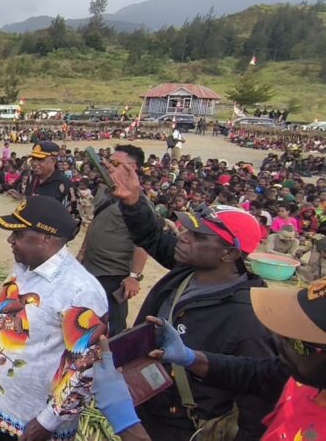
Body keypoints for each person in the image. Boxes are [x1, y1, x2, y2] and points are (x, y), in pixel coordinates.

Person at [103, 158, 278, 440]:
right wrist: (133, 201)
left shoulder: (249, 318)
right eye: (187, 230)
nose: (183, 237)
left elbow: (257, 400)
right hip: (147, 407)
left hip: (185, 427)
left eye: (198, 236)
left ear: (229, 254)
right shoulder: (188, 268)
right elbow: (152, 236)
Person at [93, 279, 326, 441]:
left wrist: (127, 425)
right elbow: (258, 374)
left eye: (296, 342)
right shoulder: (307, 377)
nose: (281, 344)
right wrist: (191, 357)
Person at [0, 195, 108, 440]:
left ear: (47, 238)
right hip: (7, 405)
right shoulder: (26, 266)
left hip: (34, 421)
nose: (10, 239)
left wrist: (47, 422)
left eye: (19, 234)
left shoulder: (80, 291)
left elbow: (86, 368)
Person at [76, 144, 149, 334]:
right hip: (90, 268)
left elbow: (142, 242)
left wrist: (134, 276)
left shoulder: (139, 203)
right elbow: (95, 221)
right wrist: (82, 252)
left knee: (112, 326)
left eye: (116, 164)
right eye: (109, 162)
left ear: (132, 168)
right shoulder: (105, 190)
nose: (109, 167)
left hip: (114, 275)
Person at [8, 142, 71, 206]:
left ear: (53, 161)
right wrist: (22, 199)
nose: (34, 163)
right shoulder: (31, 178)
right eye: (33, 159)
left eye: (40, 159)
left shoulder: (65, 184)